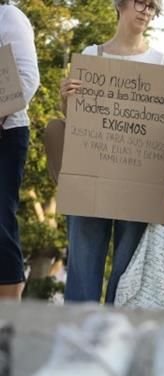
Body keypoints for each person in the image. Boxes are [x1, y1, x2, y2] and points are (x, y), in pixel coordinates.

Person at [60, 0, 164, 304]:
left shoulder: (159, 61)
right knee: (83, 267)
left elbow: (161, 126)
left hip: (137, 179)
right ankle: (80, 335)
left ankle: (119, 334)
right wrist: (65, 98)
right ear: (121, 5)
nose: (146, 11)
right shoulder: (90, 56)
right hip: (90, 175)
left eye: (153, 7)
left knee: (128, 273)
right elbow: (76, 121)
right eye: (141, 2)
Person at [0, 1, 38, 301]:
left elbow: (27, 80)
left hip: (7, 133)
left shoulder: (9, 17)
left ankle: (9, 315)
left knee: (0, 219)